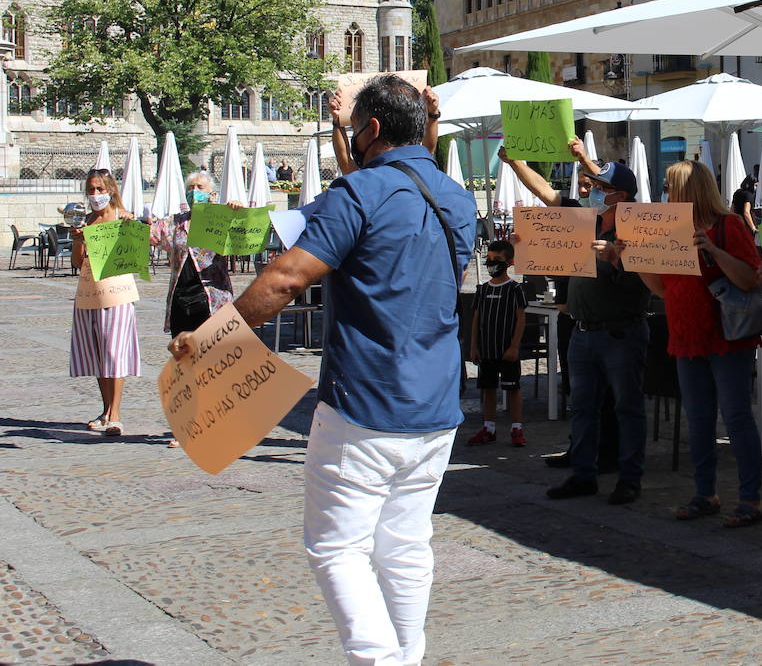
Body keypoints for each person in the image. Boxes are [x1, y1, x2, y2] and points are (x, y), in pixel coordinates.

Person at [174, 75, 476, 665]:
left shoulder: (359, 193)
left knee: (337, 547)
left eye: (356, 127)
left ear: (373, 129)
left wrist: (213, 337)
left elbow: (287, 279)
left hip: (364, 401)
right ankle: (407, 656)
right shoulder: (457, 198)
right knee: (406, 546)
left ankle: (380, 660)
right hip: (436, 404)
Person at [638, 160, 762, 528]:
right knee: (698, 419)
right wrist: (637, 257)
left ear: (689, 190)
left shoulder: (729, 226)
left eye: (669, 185)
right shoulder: (669, 231)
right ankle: (705, 493)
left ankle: (751, 498)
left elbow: (748, 280)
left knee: (737, 416)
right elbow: (662, 288)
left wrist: (712, 248)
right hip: (686, 334)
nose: (665, 192)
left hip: (726, 335)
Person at [499, 140, 619, 472]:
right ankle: (579, 450)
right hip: (572, 317)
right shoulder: (574, 215)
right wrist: (517, 163)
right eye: (582, 184)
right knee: (576, 391)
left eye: (591, 185)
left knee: (608, 395)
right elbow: (544, 193)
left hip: (609, 323)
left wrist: (583, 159)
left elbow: (611, 186)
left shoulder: (617, 220)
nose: (585, 190)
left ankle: (609, 454)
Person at [546, 160, 651, 505]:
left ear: (622, 196)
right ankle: (583, 474)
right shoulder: (586, 225)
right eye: (595, 187)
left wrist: (617, 260)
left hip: (620, 332)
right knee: (582, 407)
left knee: (627, 407)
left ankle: (630, 478)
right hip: (583, 331)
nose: (595, 193)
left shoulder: (637, 230)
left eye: (603, 189)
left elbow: (648, 282)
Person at [69, 168, 142, 438]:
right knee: (98, 354)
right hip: (89, 293)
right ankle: (105, 409)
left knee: (114, 353)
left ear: (110, 190)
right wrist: (78, 239)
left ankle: (116, 414)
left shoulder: (122, 217)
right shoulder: (87, 220)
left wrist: (132, 224)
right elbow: (78, 263)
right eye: (91, 189)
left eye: (100, 189)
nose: (95, 194)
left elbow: (136, 252)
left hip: (117, 293)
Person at [151, 172, 236, 336]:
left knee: (213, 355)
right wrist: (121, 215)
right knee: (184, 354)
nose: (194, 191)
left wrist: (237, 210)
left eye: (200, 187)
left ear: (212, 194)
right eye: (190, 188)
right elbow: (149, 235)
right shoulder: (175, 222)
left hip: (212, 298)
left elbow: (245, 233)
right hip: (181, 298)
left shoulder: (222, 219)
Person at [466, 239, 529, 448]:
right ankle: (489, 427)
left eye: (498, 260)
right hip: (487, 349)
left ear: (509, 262)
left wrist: (514, 346)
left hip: (507, 349)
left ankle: (517, 427)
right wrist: (474, 346)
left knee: (512, 387)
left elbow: (521, 318)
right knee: (488, 388)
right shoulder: (482, 289)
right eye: (490, 259)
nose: (492, 263)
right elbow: (476, 318)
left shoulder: (514, 288)